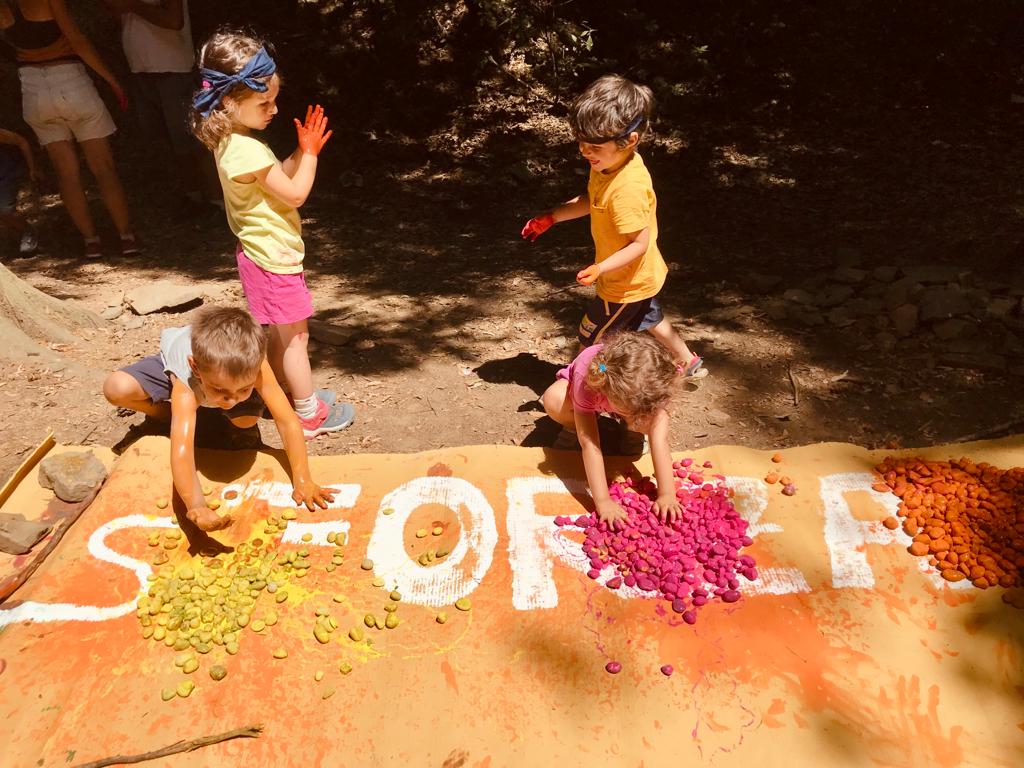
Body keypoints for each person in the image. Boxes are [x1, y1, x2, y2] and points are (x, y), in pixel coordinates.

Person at [188, 30, 354, 439]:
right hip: (273, 258)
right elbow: (295, 194)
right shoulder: (247, 149)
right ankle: (308, 413)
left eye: (275, 100)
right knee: (297, 338)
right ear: (230, 101)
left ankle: (277, 393)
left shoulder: (231, 142)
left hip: (257, 254)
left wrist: (301, 151)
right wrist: (310, 155)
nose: (274, 109)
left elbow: (276, 178)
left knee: (280, 334)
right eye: (264, 103)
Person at [521, 74, 706, 379]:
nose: (584, 151)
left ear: (629, 140)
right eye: (581, 142)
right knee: (650, 316)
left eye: (593, 145)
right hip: (640, 276)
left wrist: (600, 268)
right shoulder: (609, 164)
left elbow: (639, 243)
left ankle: (582, 384)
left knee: (592, 338)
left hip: (623, 283)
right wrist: (553, 216)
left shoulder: (627, 190)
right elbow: (593, 200)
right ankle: (688, 361)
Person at [102, 306, 338, 531]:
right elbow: (182, 451)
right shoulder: (186, 379)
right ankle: (165, 415)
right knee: (117, 388)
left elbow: (287, 421)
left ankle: (216, 406)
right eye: (220, 390)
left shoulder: (256, 366)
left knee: (244, 420)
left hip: (219, 371)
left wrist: (303, 479)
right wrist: (196, 506)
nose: (231, 400)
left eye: (243, 389)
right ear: (195, 367)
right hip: (184, 371)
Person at [0, 0, 138, 258]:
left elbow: (13, 48)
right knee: (104, 168)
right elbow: (77, 40)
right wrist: (112, 81)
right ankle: (126, 237)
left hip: (33, 90)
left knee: (67, 175)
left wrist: (25, 54)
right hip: (70, 80)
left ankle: (91, 242)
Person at [541, 332, 682, 529]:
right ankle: (573, 426)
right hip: (584, 394)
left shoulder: (655, 383)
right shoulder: (588, 379)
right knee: (554, 399)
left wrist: (667, 494)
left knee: (651, 419)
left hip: (623, 399)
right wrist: (603, 501)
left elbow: (660, 440)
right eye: (633, 413)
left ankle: (632, 430)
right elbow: (589, 444)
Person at [98, 0, 217, 208]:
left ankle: (218, 199)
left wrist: (131, 5)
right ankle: (193, 196)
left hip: (173, 67)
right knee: (169, 140)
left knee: (192, 139)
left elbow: (174, 21)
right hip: (141, 69)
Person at [0, 126, 39, 256]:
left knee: (4, 210)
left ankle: (27, 231)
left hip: (6, 174)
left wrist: (32, 168)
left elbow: (21, 142)